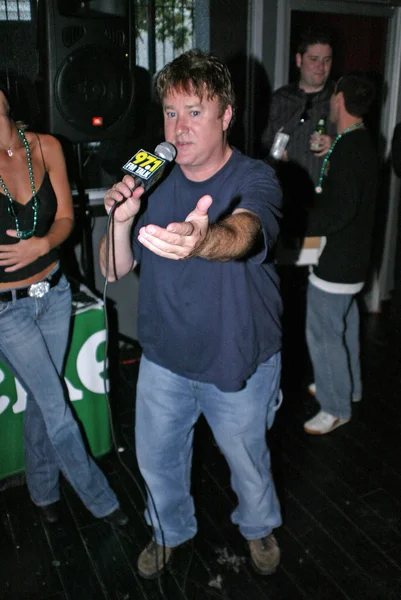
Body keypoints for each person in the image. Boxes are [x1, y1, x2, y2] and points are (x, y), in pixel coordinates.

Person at [100, 49, 283, 578]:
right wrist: (120, 219)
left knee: (248, 462)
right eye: (171, 113)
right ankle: (168, 533)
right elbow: (114, 267)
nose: (178, 128)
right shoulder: (151, 177)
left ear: (226, 116)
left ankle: (258, 527)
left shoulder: (258, 177)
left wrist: (204, 238)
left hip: (239, 358)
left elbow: (245, 230)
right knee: (157, 462)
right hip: (164, 359)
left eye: (195, 113)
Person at [0, 84, 127, 526]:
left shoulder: (48, 146)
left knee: (41, 399)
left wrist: (40, 246)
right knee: (56, 407)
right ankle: (103, 501)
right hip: (6, 310)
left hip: (54, 294)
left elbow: (68, 218)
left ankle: (42, 490)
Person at [302, 73, 378, 435]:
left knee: (323, 334)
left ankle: (335, 406)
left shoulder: (351, 148)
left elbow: (339, 210)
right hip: (355, 258)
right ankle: (350, 388)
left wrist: (299, 222)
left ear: (339, 99)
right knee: (344, 328)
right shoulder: (360, 141)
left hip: (338, 262)